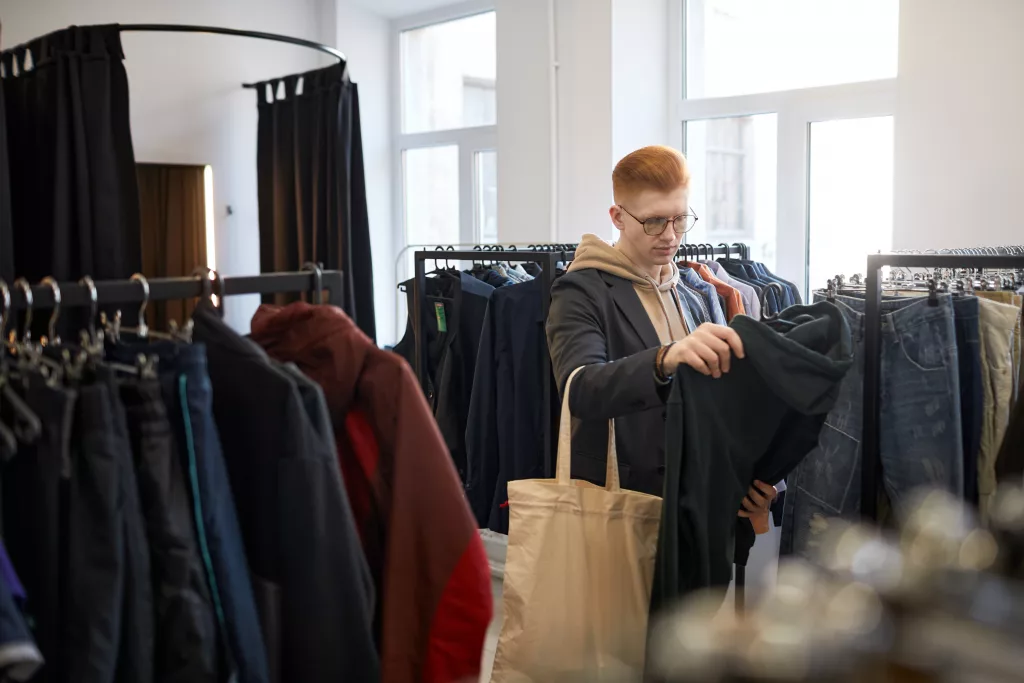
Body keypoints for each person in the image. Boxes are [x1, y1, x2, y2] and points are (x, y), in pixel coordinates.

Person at [546, 145, 776, 531]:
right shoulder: (581, 290)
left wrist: (755, 473)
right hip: (624, 511)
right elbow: (580, 389)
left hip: (704, 507)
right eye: (654, 222)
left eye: (680, 220)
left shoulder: (694, 289)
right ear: (617, 217)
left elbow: (724, 400)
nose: (670, 236)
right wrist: (664, 359)